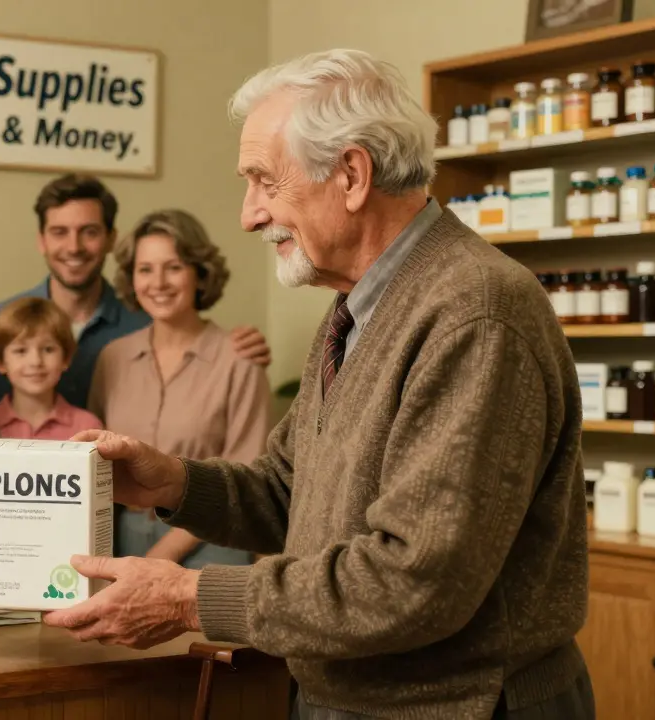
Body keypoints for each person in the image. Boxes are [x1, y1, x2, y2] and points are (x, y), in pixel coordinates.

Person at [44, 50, 593, 719]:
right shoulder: (356, 308)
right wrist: (174, 484)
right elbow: (288, 491)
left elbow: (414, 579)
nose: (248, 215)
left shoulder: (474, 313)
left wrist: (190, 598)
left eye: (263, 182)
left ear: (353, 175)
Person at [0, 173, 272, 412]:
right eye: (59, 233)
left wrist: (236, 348)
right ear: (41, 241)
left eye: (89, 232)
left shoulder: (146, 324)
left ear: (111, 239)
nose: (74, 247)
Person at [89, 209, 269, 569]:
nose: (159, 282)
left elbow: (246, 473)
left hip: (214, 541)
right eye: (145, 269)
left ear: (199, 273)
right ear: (131, 278)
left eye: (173, 267)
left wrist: (164, 553)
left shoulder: (239, 358)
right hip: (121, 539)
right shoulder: (113, 358)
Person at [0, 297, 103, 440]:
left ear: (65, 359)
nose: (36, 362)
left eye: (48, 349)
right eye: (21, 351)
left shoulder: (87, 427)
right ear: (0, 362)